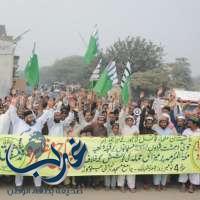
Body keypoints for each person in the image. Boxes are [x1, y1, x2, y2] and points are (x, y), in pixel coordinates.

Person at [8, 97, 50, 187]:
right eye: (29, 117)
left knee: (36, 170)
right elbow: (12, 113)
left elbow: (46, 115)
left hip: (35, 152)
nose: (31, 118)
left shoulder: (38, 123)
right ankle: (18, 185)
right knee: (20, 168)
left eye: (32, 117)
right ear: (25, 118)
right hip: (21, 151)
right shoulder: (18, 122)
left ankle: (37, 186)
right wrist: (13, 103)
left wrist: (48, 106)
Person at [118, 114, 139, 193]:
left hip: (133, 151)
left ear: (133, 121)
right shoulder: (123, 127)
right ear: (126, 121)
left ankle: (131, 186)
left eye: (131, 120)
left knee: (132, 169)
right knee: (123, 168)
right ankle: (121, 185)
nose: (130, 121)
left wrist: (137, 135)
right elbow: (120, 117)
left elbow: (138, 138)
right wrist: (124, 108)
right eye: (128, 120)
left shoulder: (135, 128)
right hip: (123, 150)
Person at [153, 114, 174, 190]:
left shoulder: (170, 131)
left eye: (165, 122)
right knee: (158, 169)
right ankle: (157, 184)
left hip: (167, 153)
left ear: (167, 123)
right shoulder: (156, 130)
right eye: (162, 122)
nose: (163, 124)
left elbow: (173, 142)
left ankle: (163, 184)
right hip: (157, 153)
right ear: (159, 123)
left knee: (165, 169)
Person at [178, 117, 200, 193]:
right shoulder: (186, 131)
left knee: (195, 170)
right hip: (186, 153)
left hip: (196, 154)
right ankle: (183, 185)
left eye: (190, 122)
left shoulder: (199, 132)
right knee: (184, 168)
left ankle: (192, 186)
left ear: (195, 124)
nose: (188, 124)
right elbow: (182, 141)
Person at [104, 122, 119, 190]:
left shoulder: (120, 137)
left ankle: (113, 185)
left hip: (117, 156)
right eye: (114, 128)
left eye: (117, 128)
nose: (116, 129)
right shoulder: (109, 136)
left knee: (115, 171)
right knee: (108, 170)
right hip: (109, 155)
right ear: (112, 129)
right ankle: (107, 185)